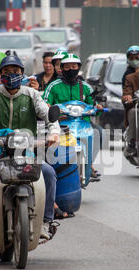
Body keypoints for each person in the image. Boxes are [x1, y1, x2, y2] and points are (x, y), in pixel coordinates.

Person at [0, 52, 60, 242]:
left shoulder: (32, 94)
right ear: (1, 74)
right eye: (6, 72)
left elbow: (49, 116)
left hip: (27, 152)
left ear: (22, 73)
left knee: (49, 174)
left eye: (15, 71)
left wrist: (54, 133)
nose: (11, 75)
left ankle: (46, 221)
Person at [43, 53, 104, 200]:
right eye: (67, 66)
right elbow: (45, 103)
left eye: (74, 66)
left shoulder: (86, 87)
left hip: (82, 124)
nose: (71, 69)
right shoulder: (54, 86)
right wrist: (49, 108)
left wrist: (98, 107)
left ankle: (90, 164)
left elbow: (93, 104)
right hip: (61, 124)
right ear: (62, 68)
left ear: (78, 68)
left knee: (99, 132)